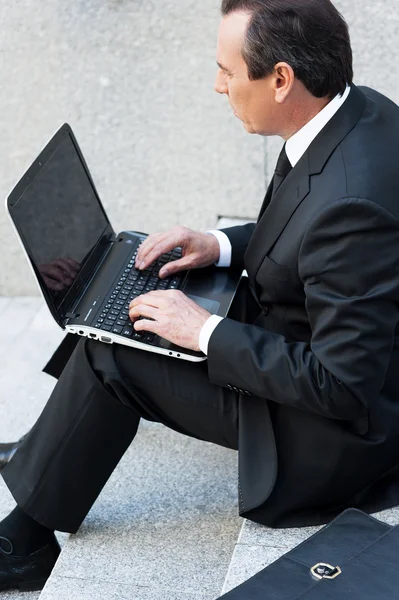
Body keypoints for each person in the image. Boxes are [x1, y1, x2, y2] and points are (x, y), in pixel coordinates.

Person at [2, 0, 399, 592]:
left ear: (283, 79)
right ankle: (54, 440)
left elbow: (340, 384)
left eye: (228, 71)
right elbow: (308, 233)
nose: (218, 86)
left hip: (333, 434)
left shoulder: (351, 202)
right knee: (138, 294)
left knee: (113, 349)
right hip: (294, 326)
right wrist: (218, 245)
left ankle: (26, 544)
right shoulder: (355, 111)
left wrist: (204, 332)